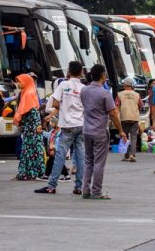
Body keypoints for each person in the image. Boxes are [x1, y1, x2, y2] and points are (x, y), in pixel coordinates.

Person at [35, 61, 85, 195]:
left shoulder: (63, 85)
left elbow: (55, 102)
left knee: (60, 156)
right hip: (81, 125)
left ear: (68, 72)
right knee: (80, 157)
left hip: (67, 126)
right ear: (81, 72)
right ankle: (79, 187)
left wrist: (63, 107)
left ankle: (51, 186)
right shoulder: (83, 88)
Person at [80, 64, 127, 199]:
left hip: (86, 130)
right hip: (100, 131)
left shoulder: (84, 90)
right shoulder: (105, 93)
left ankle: (85, 189)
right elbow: (112, 114)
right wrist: (121, 130)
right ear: (103, 75)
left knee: (88, 161)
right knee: (99, 163)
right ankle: (96, 191)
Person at [14, 74, 45, 180]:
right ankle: (33, 171)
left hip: (32, 128)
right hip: (30, 127)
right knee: (31, 149)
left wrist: (37, 125)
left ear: (26, 82)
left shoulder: (28, 94)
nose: (18, 84)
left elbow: (33, 112)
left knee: (30, 150)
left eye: (20, 81)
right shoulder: (27, 92)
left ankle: (30, 172)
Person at [115, 77, 142, 163]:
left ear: (125, 85)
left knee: (124, 136)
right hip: (134, 118)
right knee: (134, 137)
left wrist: (115, 118)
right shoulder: (137, 94)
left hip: (124, 118)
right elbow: (141, 106)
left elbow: (116, 106)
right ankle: (132, 155)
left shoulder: (120, 94)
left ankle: (126, 156)